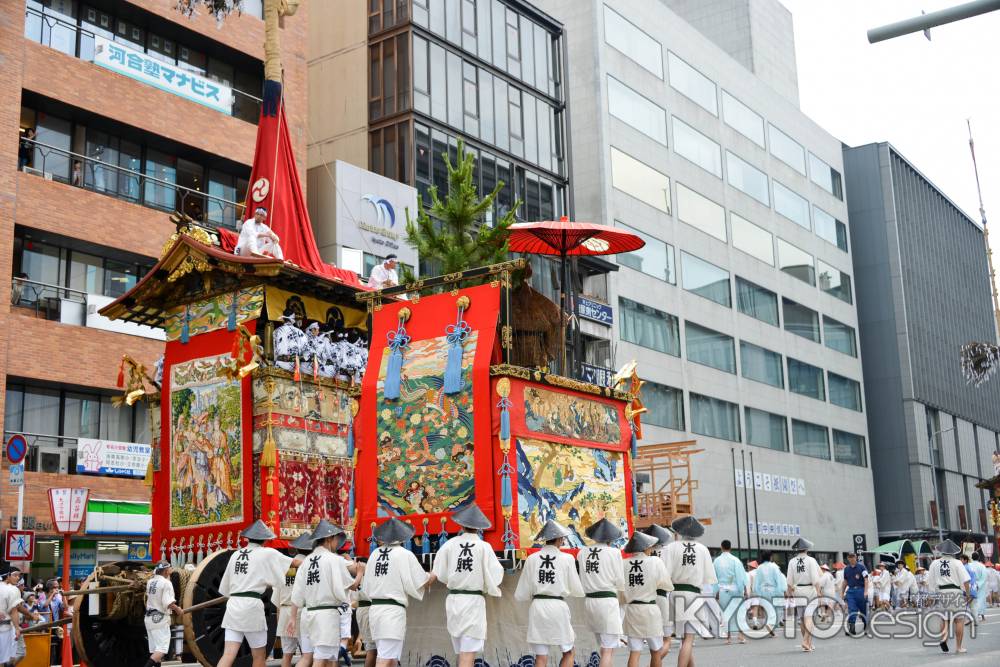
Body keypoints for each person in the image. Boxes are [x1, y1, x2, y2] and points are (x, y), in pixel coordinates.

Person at [430, 503, 504, 667]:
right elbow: (496, 576)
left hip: (454, 601)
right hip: (472, 603)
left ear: (462, 525)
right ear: (479, 528)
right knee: (468, 654)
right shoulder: (484, 547)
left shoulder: (449, 544)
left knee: (462, 652)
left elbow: (439, 572)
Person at [218, 520, 296, 667]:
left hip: (233, 605)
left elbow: (226, 587)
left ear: (248, 538)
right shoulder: (267, 553)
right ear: (265, 539)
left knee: (228, 654)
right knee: (259, 656)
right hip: (251, 607)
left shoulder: (236, 555)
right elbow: (293, 563)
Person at [360, 517, 429, 667]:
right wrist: (434, 574)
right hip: (391, 612)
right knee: (385, 658)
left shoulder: (374, 554)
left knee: (390, 657)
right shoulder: (404, 554)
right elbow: (422, 581)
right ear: (403, 536)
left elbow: (366, 587)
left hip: (376, 610)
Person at [514, 520, 584, 667]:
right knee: (569, 652)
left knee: (541, 656)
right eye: (562, 538)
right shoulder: (567, 558)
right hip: (558, 607)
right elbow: (576, 589)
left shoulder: (532, 559)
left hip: (538, 607)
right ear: (559, 539)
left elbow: (522, 593)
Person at [288, 520, 356, 667]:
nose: (337, 542)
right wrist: (360, 573)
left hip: (307, 614)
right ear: (328, 538)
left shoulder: (306, 562)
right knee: (320, 660)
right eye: (336, 538)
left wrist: (293, 618)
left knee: (326, 659)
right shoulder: (334, 559)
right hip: (326, 617)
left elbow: (297, 594)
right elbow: (352, 586)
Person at [662, 516, 716, 667]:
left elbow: (664, 574)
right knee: (689, 639)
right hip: (693, 595)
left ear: (679, 532)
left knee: (684, 638)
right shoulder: (702, 549)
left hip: (675, 594)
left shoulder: (671, 547)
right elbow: (708, 578)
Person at [577, 518, 625, 667]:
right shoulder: (614, 552)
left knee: (604, 646)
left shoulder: (582, 553)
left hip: (590, 602)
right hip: (607, 603)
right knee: (607, 649)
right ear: (610, 539)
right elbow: (620, 581)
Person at [622, 530, 671, 667]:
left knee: (634, 652)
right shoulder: (655, 561)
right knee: (656, 651)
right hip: (650, 610)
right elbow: (666, 585)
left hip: (632, 610)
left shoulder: (624, 563)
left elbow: (620, 590)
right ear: (646, 548)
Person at [927, 540, 971, 654]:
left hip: (941, 592)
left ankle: (944, 639)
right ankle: (958, 647)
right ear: (952, 552)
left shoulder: (934, 563)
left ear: (941, 551)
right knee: (959, 620)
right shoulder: (957, 562)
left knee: (944, 618)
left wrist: (931, 595)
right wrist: (968, 594)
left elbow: (930, 582)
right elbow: (965, 580)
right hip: (955, 592)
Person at [278, 532, 314, 667]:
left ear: (297, 548)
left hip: (284, 613)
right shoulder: (309, 566)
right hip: (300, 612)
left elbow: (277, 596)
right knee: (307, 655)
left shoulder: (285, 568)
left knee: (286, 655)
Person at [642, 524, 674, 654]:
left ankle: (655, 660)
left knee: (654, 639)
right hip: (663, 595)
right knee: (667, 639)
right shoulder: (668, 551)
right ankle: (656, 661)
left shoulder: (645, 554)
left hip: (647, 597)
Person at [785, 537, 822, 652]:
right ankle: (806, 641)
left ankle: (808, 644)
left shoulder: (792, 561)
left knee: (802, 618)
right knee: (809, 617)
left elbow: (789, 581)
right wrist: (819, 593)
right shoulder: (811, 560)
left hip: (798, 591)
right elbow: (816, 579)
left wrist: (789, 593)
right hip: (810, 589)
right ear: (806, 549)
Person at [143, 561, 183, 667]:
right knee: (161, 650)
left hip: (149, 619)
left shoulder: (150, 581)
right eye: (170, 568)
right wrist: (178, 609)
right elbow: (168, 602)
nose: (171, 570)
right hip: (159, 619)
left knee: (156, 650)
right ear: (166, 571)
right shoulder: (166, 583)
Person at [712, 539, 749, 644]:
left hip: (723, 590)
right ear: (730, 547)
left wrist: (716, 592)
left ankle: (728, 638)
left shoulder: (716, 561)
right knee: (739, 612)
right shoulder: (735, 560)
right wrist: (745, 591)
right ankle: (741, 636)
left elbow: (714, 578)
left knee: (726, 614)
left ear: (721, 547)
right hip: (735, 589)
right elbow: (741, 577)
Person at [840, 552, 869, 635]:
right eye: (850, 557)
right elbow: (845, 581)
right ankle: (852, 628)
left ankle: (866, 626)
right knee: (852, 609)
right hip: (851, 591)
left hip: (861, 590)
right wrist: (842, 592)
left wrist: (866, 591)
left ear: (856, 557)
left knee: (863, 610)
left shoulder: (861, 567)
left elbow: (866, 580)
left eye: (853, 557)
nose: (852, 558)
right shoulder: (846, 569)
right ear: (848, 558)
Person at [0, 569, 23, 667]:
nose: (18, 578)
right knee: (4, 659)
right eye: (15, 575)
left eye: (19, 576)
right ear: (8, 575)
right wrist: (17, 628)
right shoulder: (12, 589)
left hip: (6, 628)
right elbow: (14, 611)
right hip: (5, 630)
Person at [969, 552, 989, 622]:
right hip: (980, 584)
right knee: (981, 600)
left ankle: (973, 615)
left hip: (971, 584)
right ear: (978, 558)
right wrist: (979, 584)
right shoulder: (982, 566)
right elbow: (984, 577)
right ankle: (982, 616)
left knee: (972, 600)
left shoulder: (969, 565)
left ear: (971, 557)